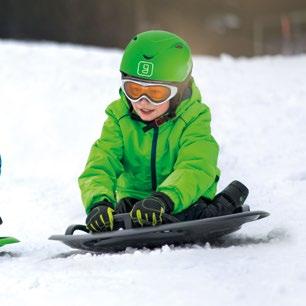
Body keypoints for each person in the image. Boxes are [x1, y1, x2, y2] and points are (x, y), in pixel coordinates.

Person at [78, 30, 249, 233]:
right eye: (133, 89)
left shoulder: (193, 118)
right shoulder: (119, 117)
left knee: (198, 214)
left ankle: (228, 201)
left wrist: (165, 198)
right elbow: (101, 162)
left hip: (182, 200)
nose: (143, 102)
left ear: (179, 91)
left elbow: (196, 166)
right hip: (135, 203)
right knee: (116, 217)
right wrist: (99, 203)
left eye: (156, 93)